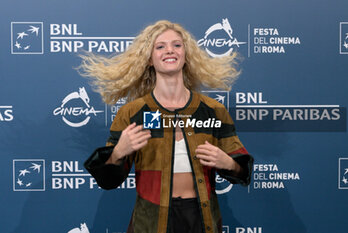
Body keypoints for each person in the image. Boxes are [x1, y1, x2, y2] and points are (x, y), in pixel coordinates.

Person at [80, 20, 253, 233]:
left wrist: (228, 163)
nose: (169, 50)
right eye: (160, 46)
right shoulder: (132, 113)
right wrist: (117, 152)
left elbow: (244, 170)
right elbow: (107, 181)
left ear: (186, 55)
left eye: (177, 45)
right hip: (150, 223)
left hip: (202, 220)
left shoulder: (213, 110)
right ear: (150, 59)